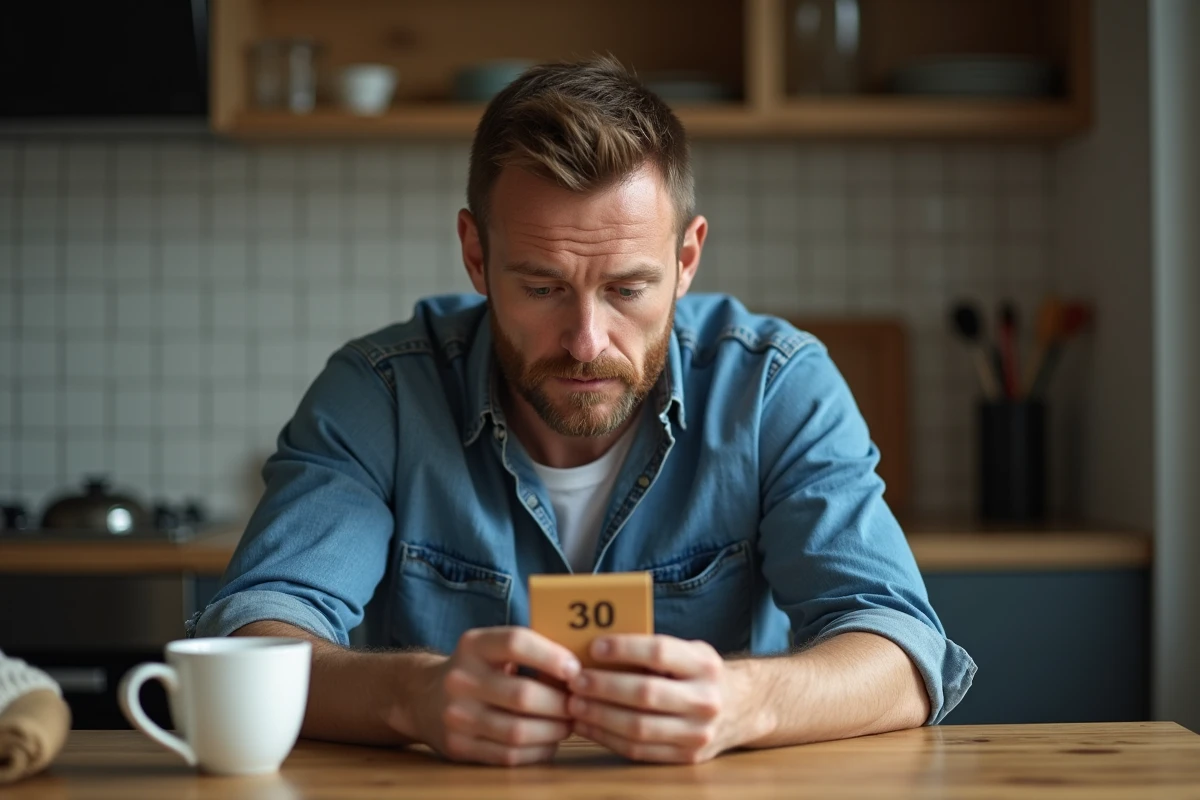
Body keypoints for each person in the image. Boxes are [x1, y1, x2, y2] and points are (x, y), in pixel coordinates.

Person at [188, 56, 975, 766]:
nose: (586, 341)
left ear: (686, 259)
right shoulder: (382, 391)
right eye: (541, 287)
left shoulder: (775, 387)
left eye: (628, 289)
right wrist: (414, 696)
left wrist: (745, 703)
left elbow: (902, 656)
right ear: (475, 256)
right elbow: (253, 632)